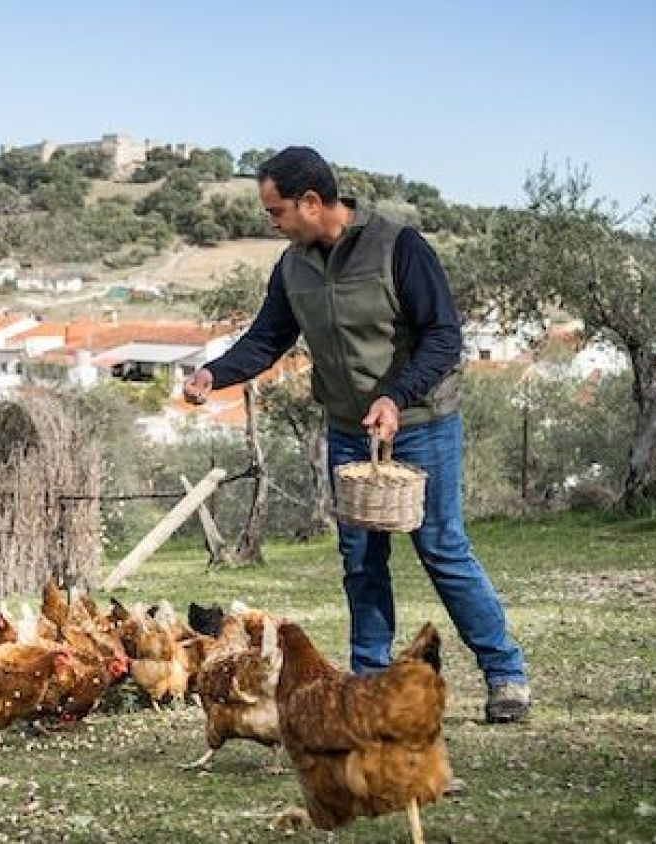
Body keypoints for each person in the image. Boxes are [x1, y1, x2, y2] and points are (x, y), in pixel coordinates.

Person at [182, 146, 531, 723]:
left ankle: (505, 674)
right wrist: (214, 373)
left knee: (442, 548)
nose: (271, 223)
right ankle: (367, 684)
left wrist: (397, 395)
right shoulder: (293, 266)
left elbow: (444, 337)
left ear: (312, 202)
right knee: (360, 558)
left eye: (276, 211)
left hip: (423, 423)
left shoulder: (400, 247)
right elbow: (268, 339)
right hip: (349, 432)